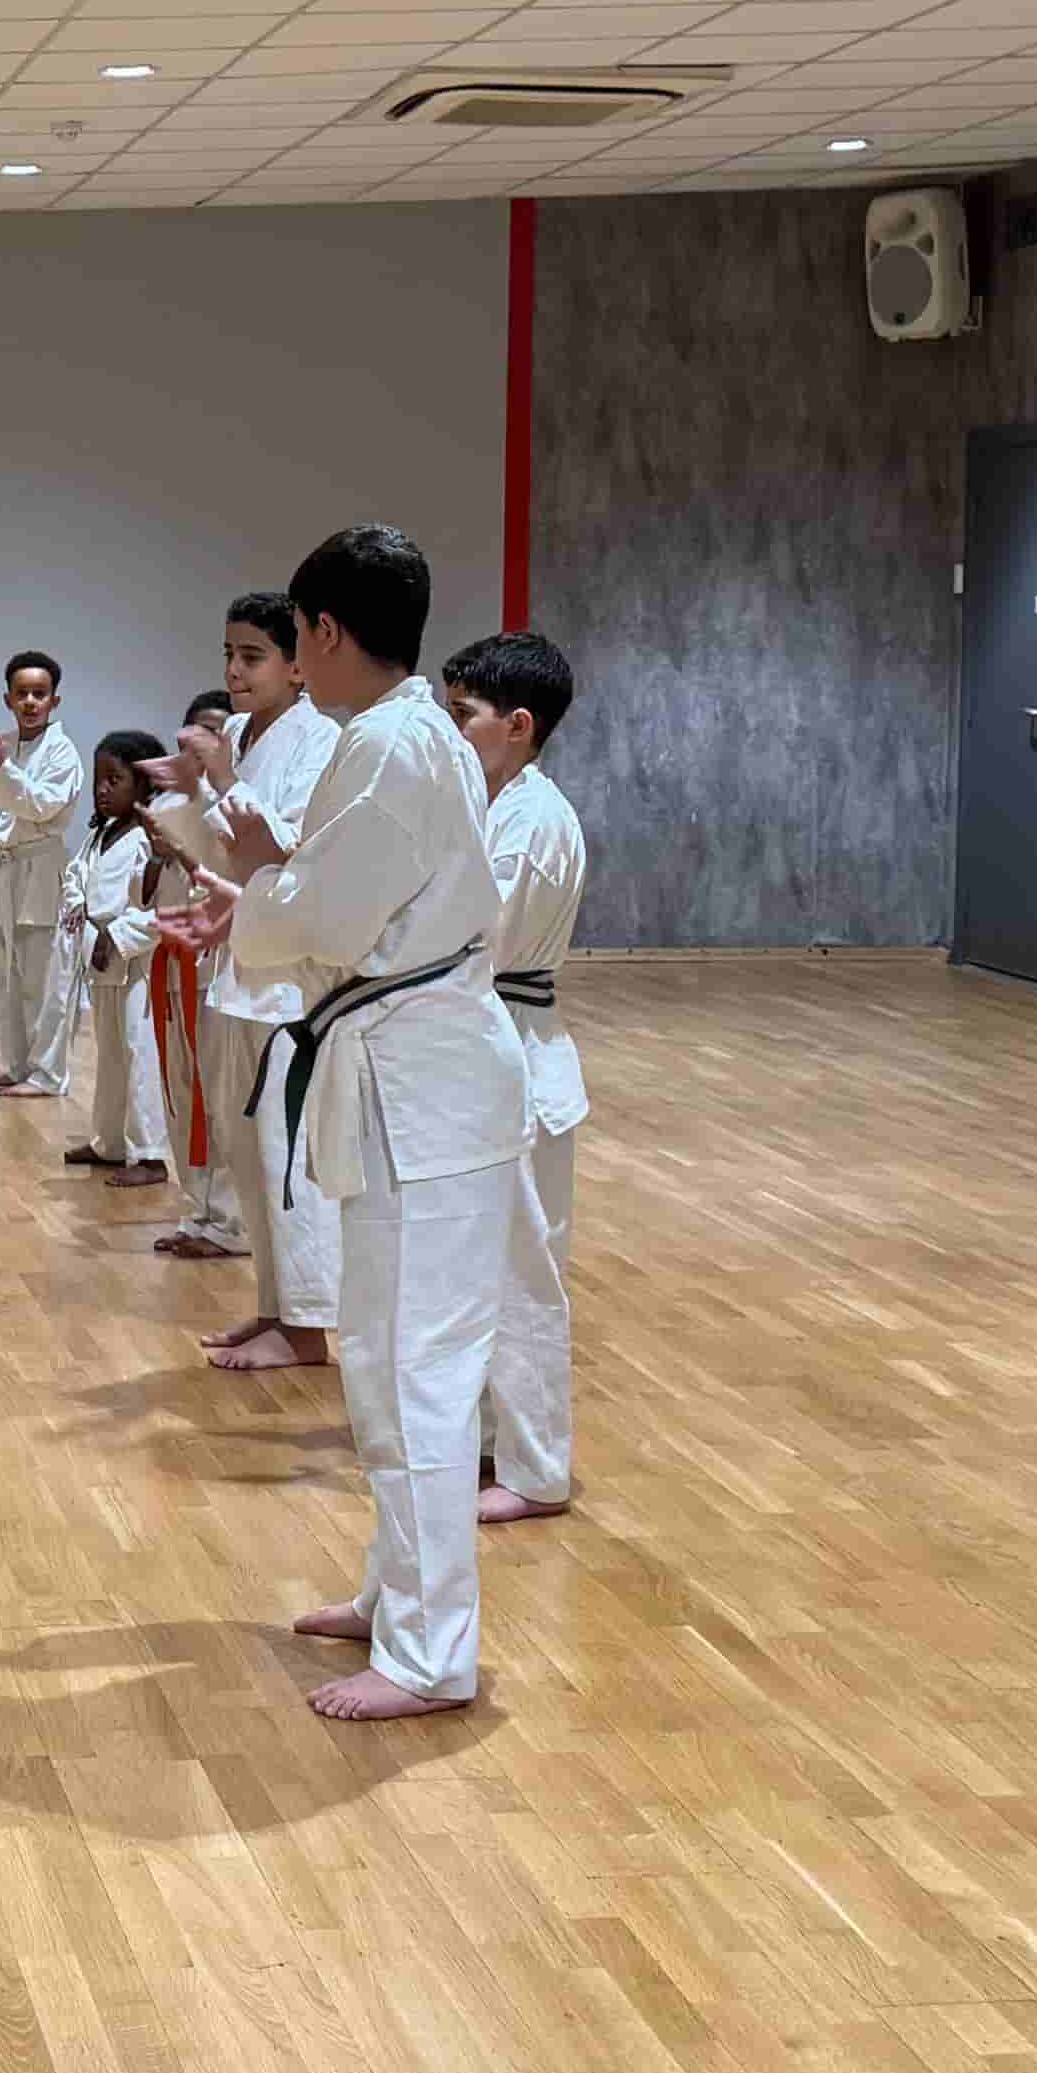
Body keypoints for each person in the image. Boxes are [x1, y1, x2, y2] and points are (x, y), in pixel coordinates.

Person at [159, 524, 528, 1723]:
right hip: (396, 1078)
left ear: (322, 631)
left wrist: (256, 902)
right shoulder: (397, 739)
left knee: (418, 1369)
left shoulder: (386, 745)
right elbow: (323, 905)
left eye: (294, 640)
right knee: (375, 1354)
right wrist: (253, 901)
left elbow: (324, 909)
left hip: (428, 1093)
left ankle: (432, 1655)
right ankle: (396, 1593)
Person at [156, 595, 341, 1365]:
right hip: (235, 964)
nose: (233, 670)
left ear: (298, 666)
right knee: (246, 1152)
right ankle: (273, 1306)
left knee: (285, 1153)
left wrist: (224, 780)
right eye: (228, 653)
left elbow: (281, 850)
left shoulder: (319, 738)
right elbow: (214, 855)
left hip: (290, 977)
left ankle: (306, 1326)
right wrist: (186, 792)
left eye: (252, 655)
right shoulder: (239, 734)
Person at [442, 631, 587, 1526]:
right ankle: (497, 1441)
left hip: (520, 1057)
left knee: (525, 1275)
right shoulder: (491, 803)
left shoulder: (535, 821)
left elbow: (472, 940)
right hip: (486, 1049)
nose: (453, 731)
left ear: (518, 726)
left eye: (464, 716)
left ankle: (536, 1469)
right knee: (486, 1269)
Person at [142, 688, 242, 1242]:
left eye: (216, 735)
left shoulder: (237, 805)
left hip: (218, 964)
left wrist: (185, 844)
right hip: (173, 955)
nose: (203, 745)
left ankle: (229, 1218)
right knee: (181, 1088)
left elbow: (232, 869)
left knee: (217, 1094)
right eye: (195, 735)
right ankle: (198, 1207)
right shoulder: (169, 804)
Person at [0, 649, 85, 1099]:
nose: (31, 702)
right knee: (5, 978)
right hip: (5, 869)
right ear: (8, 699)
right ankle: (17, 1064)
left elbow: (40, 805)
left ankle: (48, 1073)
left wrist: (2, 773)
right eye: (23, 694)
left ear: (55, 701)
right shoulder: (4, 747)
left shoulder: (63, 751)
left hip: (40, 868)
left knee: (42, 979)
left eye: (40, 694)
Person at [67, 731, 175, 1185]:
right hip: (99, 957)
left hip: (138, 965)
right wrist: (80, 912)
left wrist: (117, 935)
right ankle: (109, 1143)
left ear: (145, 785)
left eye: (116, 780)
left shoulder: (153, 839)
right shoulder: (102, 833)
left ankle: (149, 1155)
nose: (103, 789)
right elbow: (74, 877)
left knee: (138, 1054)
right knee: (110, 1054)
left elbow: (159, 909)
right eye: (99, 780)